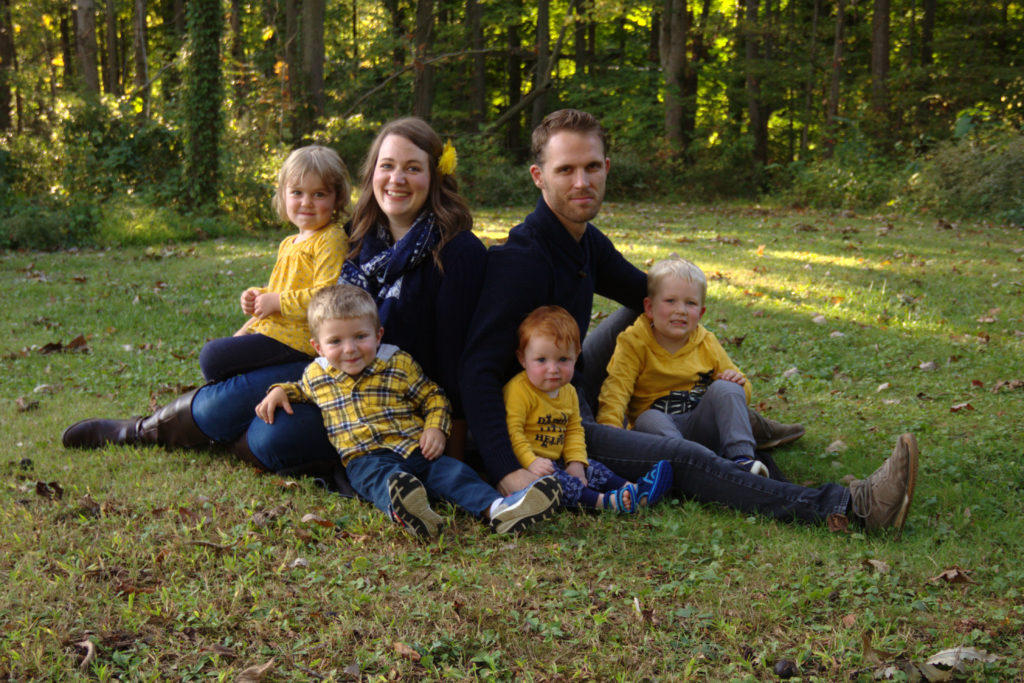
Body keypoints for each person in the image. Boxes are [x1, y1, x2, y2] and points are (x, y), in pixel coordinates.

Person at [460, 108, 918, 533]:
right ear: (539, 176)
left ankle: (714, 411)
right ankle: (850, 507)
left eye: (592, 167)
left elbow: (648, 296)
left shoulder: (584, 240)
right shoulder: (522, 261)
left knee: (650, 304)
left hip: (567, 379)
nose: (582, 182)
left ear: (607, 168)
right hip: (540, 419)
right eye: (566, 170)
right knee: (680, 457)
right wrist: (507, 467)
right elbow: (476, 370)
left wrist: (688, 314)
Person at [61, 118, 498, 491]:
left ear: (435, 176)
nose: (397, 179)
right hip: (331, 375)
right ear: (372, 174)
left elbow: (457, 362)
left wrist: (450, 456)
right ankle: (140, 432)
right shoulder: (361, 239)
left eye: (412, 168)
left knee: (271, 438)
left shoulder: (456, 252)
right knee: (224, 402)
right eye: (387, 166)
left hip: (393, 404)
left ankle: (220, 440)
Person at [256, 284, 561, 537]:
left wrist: (435, 428)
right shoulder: (317, 375)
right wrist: (278, 391)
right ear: (318, 347)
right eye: (335, 341)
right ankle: (412, 513)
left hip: (416, 448)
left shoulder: (397, 363)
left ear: (378, 335)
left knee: (454, 474)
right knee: (385, 482)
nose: (350, 349)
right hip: (366, 458)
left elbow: (433, 396)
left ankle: (499, 510)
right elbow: (299, 388)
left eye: (360, 337)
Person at [596, 257, 769, 477]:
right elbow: (616, 390)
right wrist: (610, 431)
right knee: (649, 418)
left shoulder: (706, 342)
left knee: (728, 387)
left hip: (700, 427)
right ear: (649, 307)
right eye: (670, 301)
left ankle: (742, 459)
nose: (681, 310)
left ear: (701, 313)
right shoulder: (634, 342)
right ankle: (689, 466)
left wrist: (737, 383)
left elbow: (741, 392)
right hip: (658, 436)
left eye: (690, 303)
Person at [199, 145, 351, 382]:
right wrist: (259, 297)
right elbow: (283, 290)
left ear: (337, 198)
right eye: (297, 192)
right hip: (276, 332)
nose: (307, 202)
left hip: (300, 340)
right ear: (283, 195)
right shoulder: (288, 243)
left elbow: (327, 297)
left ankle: (293, 378)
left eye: (319, 194)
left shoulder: (330, 239)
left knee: (213, 356)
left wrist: (277, 301)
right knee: (219, 353)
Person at [504, 305, 673, 512]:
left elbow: (574, 429)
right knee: (561, 484)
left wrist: (576, 462)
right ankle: (607, 503)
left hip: (558, 459)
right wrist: (531, 462)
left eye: (563, 359)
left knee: (593, 468)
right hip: (530, 467)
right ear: (522, 358)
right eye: (541, 360)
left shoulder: (568, 392)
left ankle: (636, 490)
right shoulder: (519, 391)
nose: (553, 369)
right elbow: (512, 432)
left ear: (576, 356)